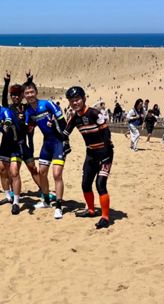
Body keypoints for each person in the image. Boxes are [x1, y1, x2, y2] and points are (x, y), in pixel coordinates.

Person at [63, 87, 114, 229]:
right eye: (72, 101)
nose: (75, 103)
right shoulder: (74, 118)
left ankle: (105, 217)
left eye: (77, 99)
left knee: (100, 184)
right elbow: (64, 134)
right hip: (91, 153)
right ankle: (91, 210)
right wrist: (53, 127)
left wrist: (105, 153)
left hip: (105, 153)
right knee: (85, 184)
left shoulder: (94, 113)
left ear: (84, 98)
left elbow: (106, 133)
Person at [23, 81, 69, 219]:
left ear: (36, 92)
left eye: (32, 92)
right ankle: (47, 201)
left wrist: (66, 140)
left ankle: (59, 207)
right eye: (27, 93)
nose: (30, 95)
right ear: (24, 95)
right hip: (47, 143)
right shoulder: (28, 111)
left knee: (57, 174)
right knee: (42, 173)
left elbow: (63, 122)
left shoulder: (47, 104)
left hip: (58, 142)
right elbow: (27, 128)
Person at [2, 73, 42, 197]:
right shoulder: (8, 108)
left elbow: (31, 97)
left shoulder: (26, 107)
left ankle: (43, 190)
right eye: (13, 95)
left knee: (33, 168)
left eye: (18, 95)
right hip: (12, 146)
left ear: (22, 96)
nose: (15, 97)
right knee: (12, 171)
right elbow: (3, 100)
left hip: (23, 144)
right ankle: (12, 192)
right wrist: (6, 83)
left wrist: (29, 80)